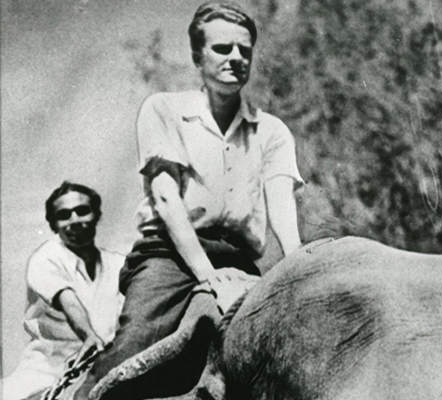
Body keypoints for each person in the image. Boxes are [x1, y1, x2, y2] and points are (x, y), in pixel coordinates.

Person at [75, 2, 303, 399]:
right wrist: (205, 274)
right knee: (130, 354)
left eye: (244, 50)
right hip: (170, 256)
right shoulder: (165, 110)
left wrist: (300, 270)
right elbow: (166, 199)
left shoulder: (271, 131)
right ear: (198, 57)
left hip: (237, 258)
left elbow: (283, 211)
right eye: (222, 49)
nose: (235, 58)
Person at [2, 182, 125, 400]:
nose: (75, 220)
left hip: (104, 365)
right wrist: (89, 335)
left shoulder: (118, 264)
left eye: (83, 211)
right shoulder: (46, 258)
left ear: (97, 215)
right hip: (47, 372)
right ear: (53, 225)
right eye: (64, 215)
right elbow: (67, 298)